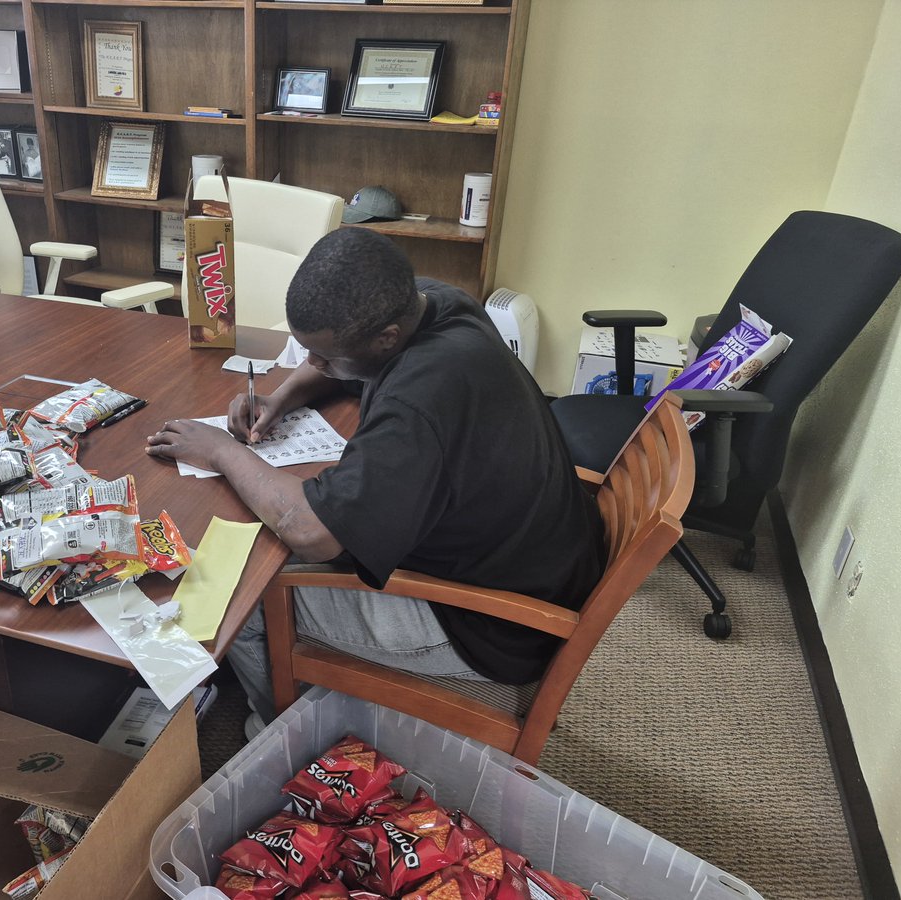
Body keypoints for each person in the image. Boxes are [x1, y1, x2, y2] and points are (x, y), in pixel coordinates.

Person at [145, 229, 605, 733]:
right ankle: (272, 669)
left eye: (322, 356)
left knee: (240, 590)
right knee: (263, 533)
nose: (313, 366)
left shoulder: (420, 399)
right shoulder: (433, 302)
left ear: (386, 337)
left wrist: (221, 451)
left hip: (493, 624)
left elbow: (313, 533)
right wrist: (284, 396)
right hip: (534, 558)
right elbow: (348, 365)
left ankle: (277, 732)